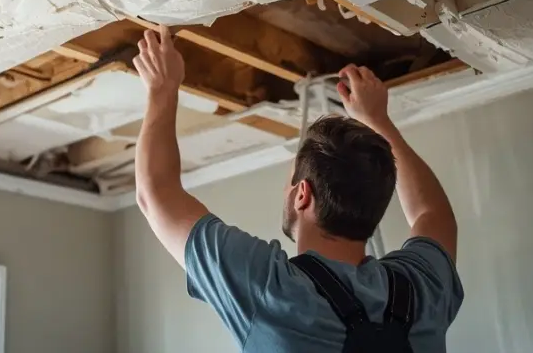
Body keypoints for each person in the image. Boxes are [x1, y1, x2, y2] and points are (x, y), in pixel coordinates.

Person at [132, 26, 463, 352]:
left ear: (302, 195)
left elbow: (157, 194)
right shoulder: (419, 289)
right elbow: (431, 214)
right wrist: (380, 122)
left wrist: (162, 87)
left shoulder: (273, 291)